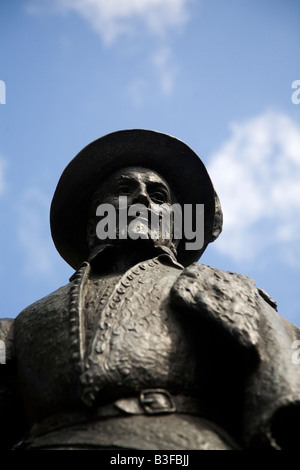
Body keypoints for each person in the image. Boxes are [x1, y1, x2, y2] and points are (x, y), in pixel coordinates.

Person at [1, 129, 300, 450]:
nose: (142, 198)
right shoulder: (22, 324)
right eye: (123, 189)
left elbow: (287, 385)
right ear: (92, 224)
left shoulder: (224, 289)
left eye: (159, 197)